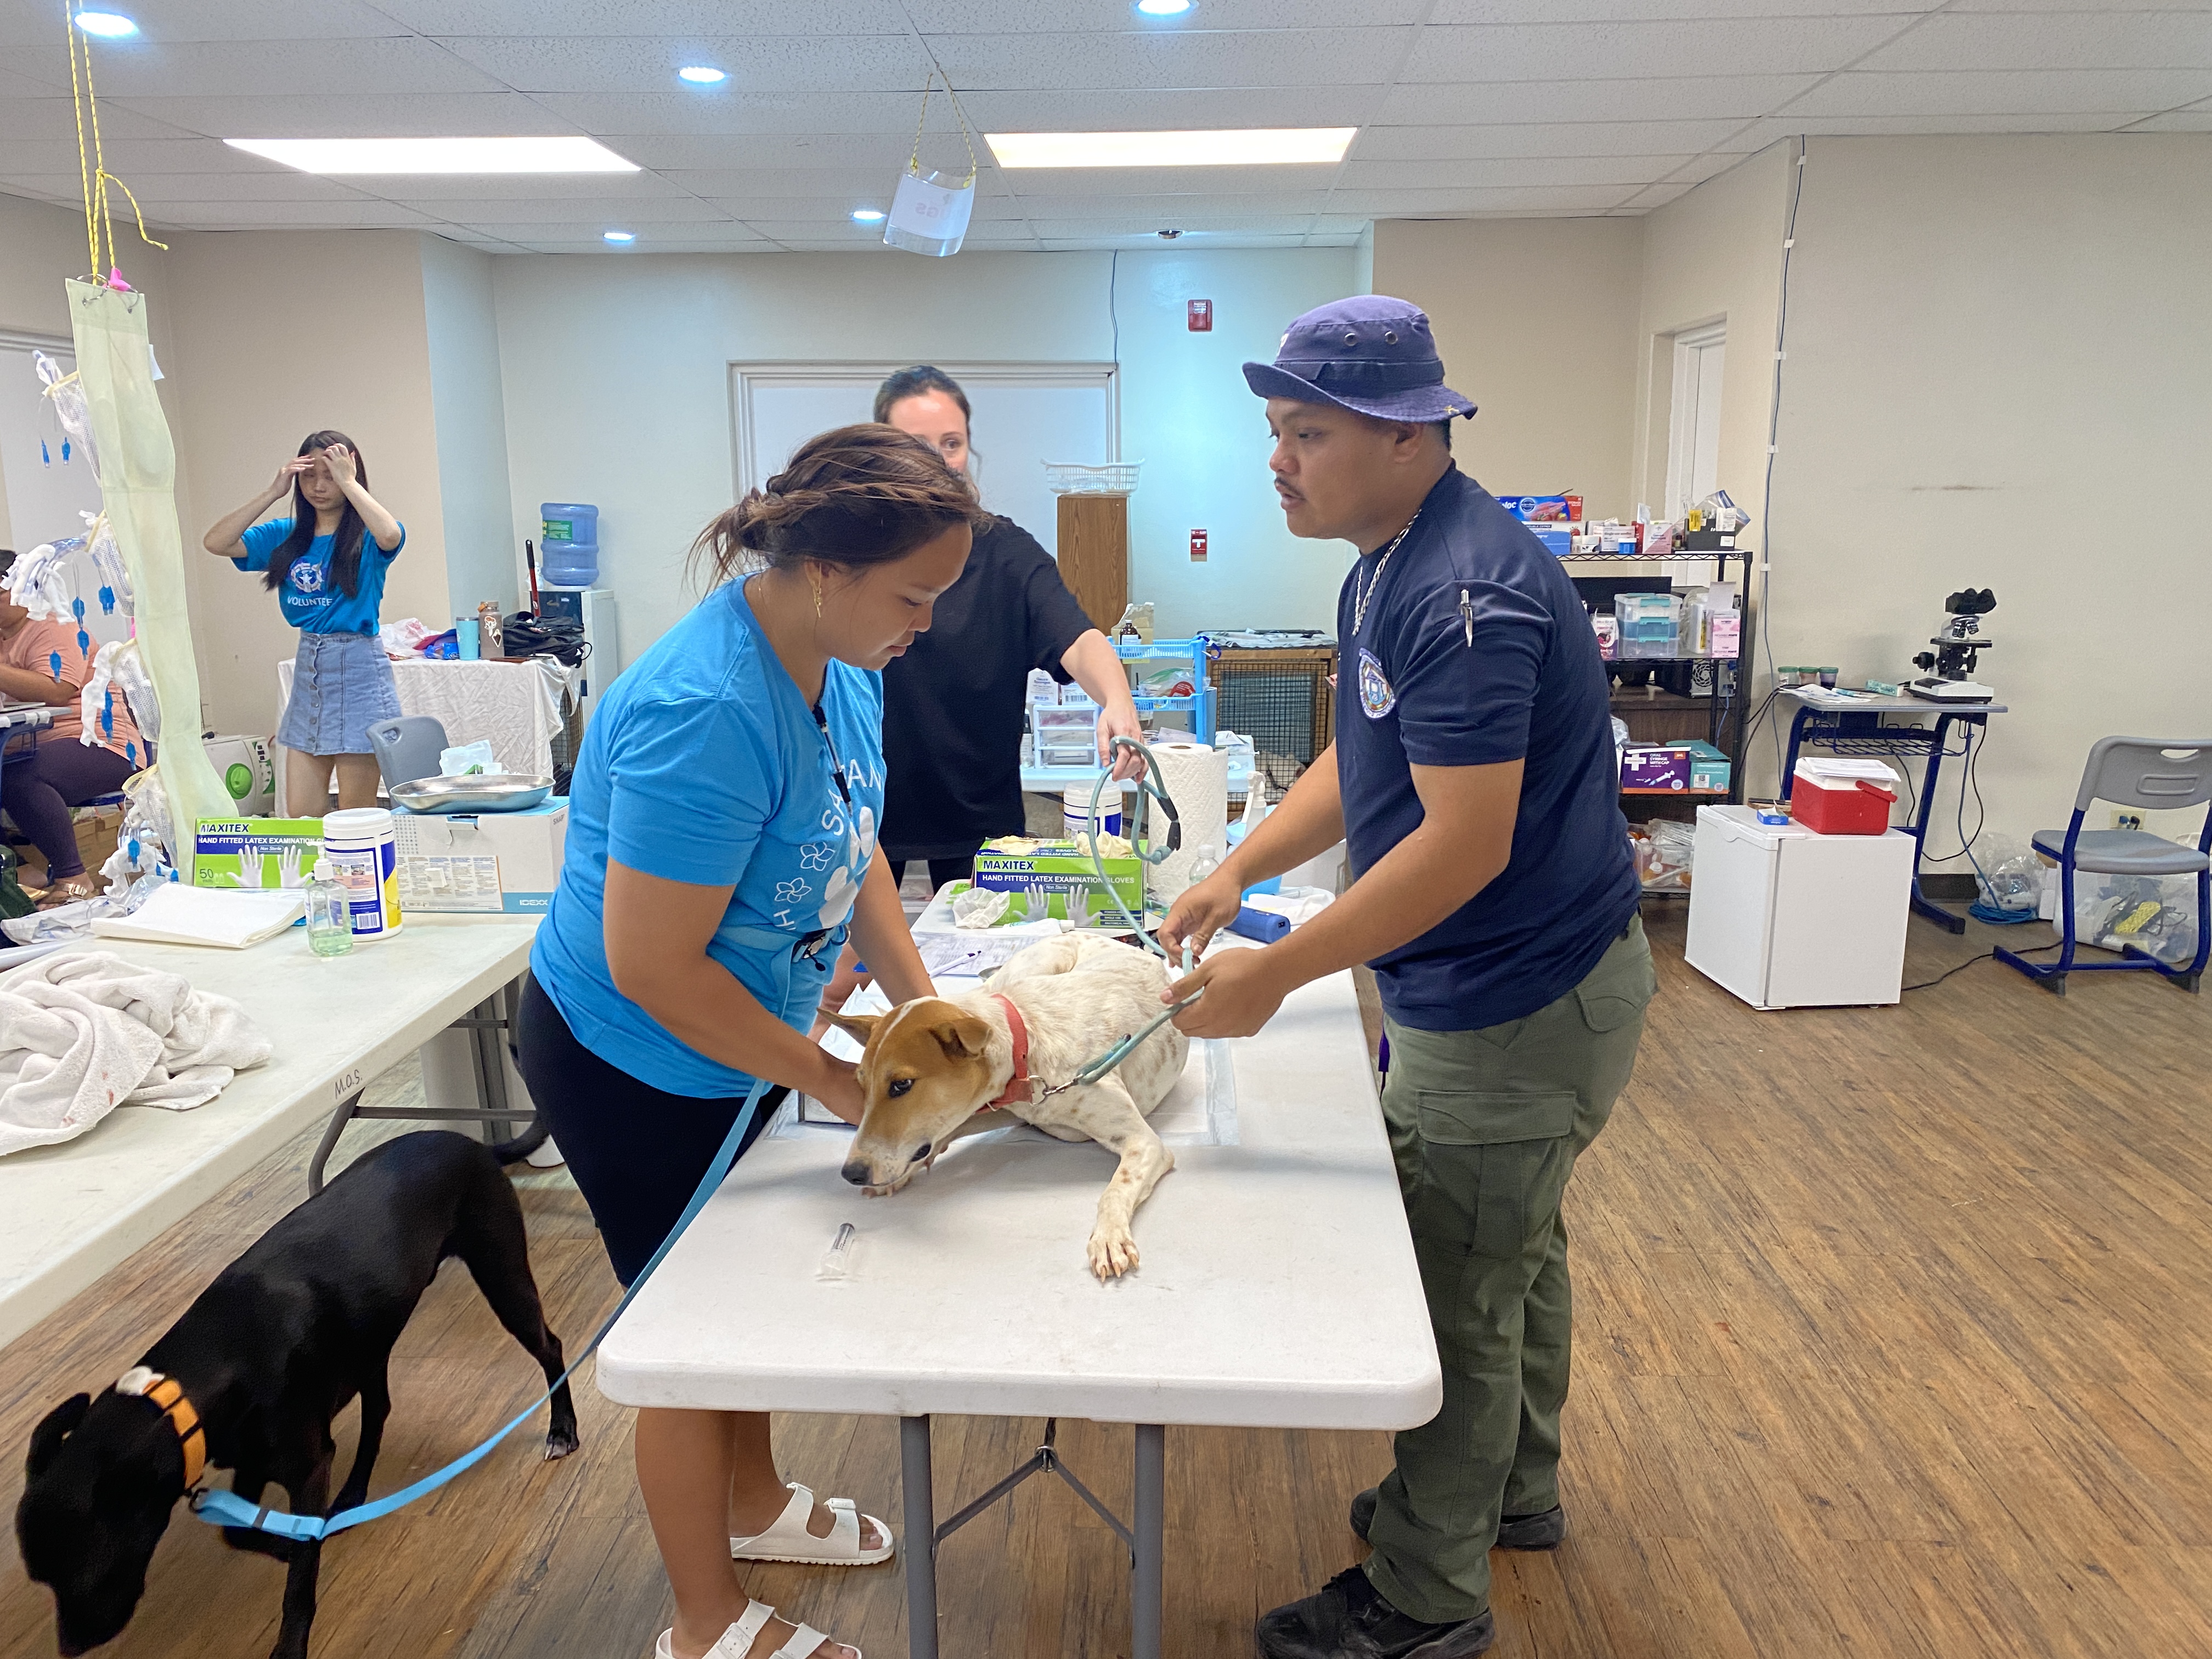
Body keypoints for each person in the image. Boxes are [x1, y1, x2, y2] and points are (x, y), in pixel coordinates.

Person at [1158, 297, 1655, 1659]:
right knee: (1515, 1247)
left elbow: (1463, 844)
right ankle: (1513, 1493)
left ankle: (1429, 1594)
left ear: (1403, 434)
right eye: (1276, 430)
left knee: (1459, 1291)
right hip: (1509, 989)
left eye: (1305, 432)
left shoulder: (1462, 592)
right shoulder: (1385, 559)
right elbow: (1366, 764)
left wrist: (1278, 971)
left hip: (1516, 1002)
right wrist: (1238, 875)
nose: (1278, 460)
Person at [517, 425, 981, 1659]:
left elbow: (860, 845)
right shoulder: (703, 710)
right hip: (632, 1057)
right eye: (914, 596)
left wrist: (933, 1026)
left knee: (747, 1299)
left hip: (742, 1037)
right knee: (687, 1331)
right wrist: (832, 1073)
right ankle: (702, 1621)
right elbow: (653, 967)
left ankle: (758, 1501)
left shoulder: (847, 657)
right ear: (824, 566)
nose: (925, 623)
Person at [872, 364, 1143, 891]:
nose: (936, 460)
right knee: (851, 970)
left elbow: (1077, 637)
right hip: (868, 814)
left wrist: (1118, 698)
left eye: (951, 443)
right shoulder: (855, 553)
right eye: (915, 444)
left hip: (980, 818)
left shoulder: (1006, 552)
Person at [201, 430, 404, 813]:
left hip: (359, 669)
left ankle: (358, 876)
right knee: (302, 815)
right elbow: (217, 542)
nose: (318, 486)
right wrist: (272, 493)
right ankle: (323, 876)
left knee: (356, 816)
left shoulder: (368, 536)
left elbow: (391, 534)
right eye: (309, 476)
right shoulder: (287, 535)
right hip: (310, 668)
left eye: (329, 475)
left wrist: (350, 481)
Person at [0, 549, 146, 906]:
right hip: (32, 743)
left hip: (101, 745)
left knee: (19, 776)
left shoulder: (56, 625)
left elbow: (58, 689)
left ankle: (73, 876)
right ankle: (21, 869)